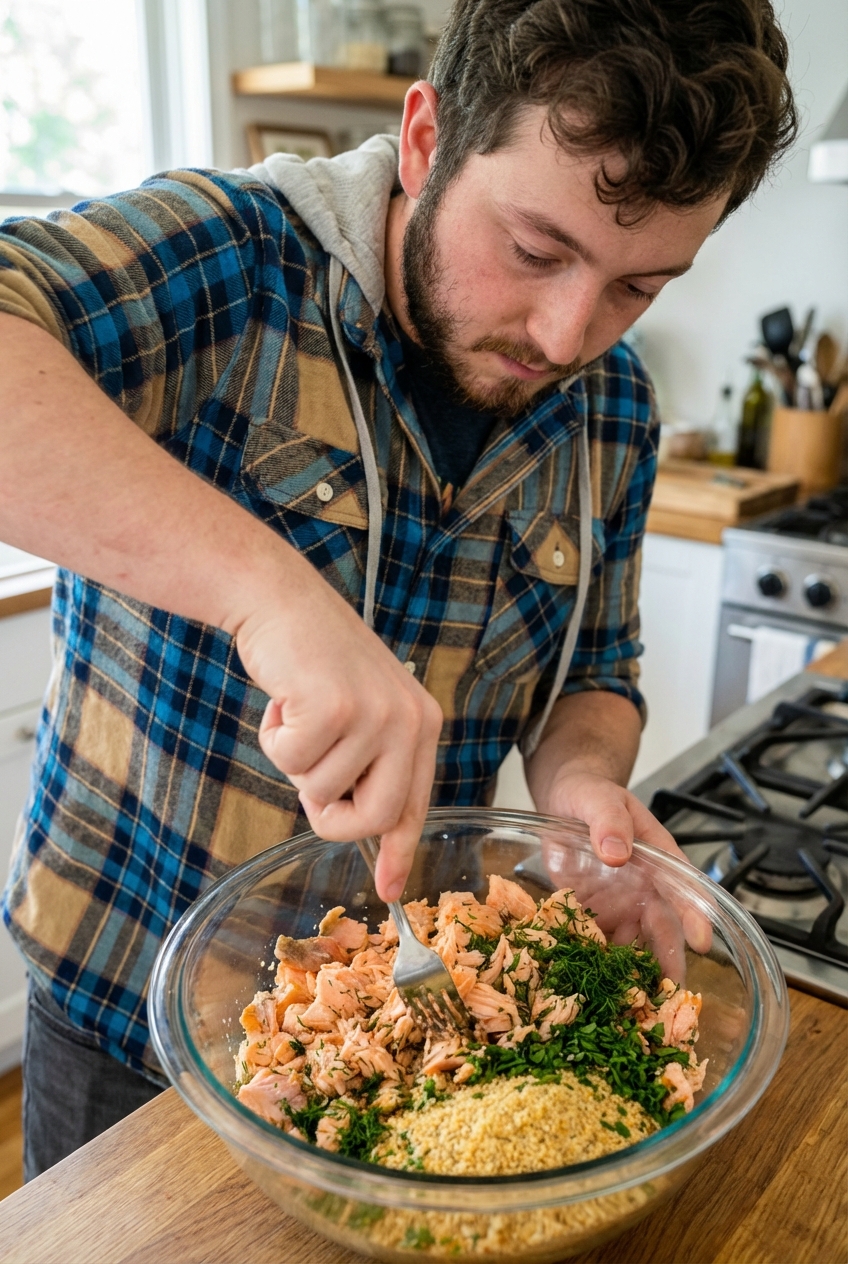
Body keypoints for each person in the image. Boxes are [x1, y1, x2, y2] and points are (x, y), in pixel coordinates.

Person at [0, 0, 795, 1179]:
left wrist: (582, 793)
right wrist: (267, 593)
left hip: (412, 1021)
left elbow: (591, 670)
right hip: (129, 1008)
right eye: (534, 249)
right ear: (425, 140)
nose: (568, 332)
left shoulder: (614, 411)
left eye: (639, 284)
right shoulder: (232, 261)